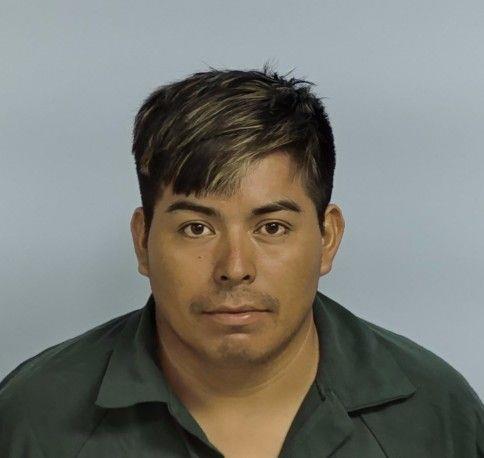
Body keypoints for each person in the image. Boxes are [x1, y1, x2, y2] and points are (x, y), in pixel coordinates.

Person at [0, 63, 482, 458]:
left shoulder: (437, 414)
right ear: (143, 241)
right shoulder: (32, 420)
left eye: (271, 228)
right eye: (197, 228)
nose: (234, 267)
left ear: (327, 237)